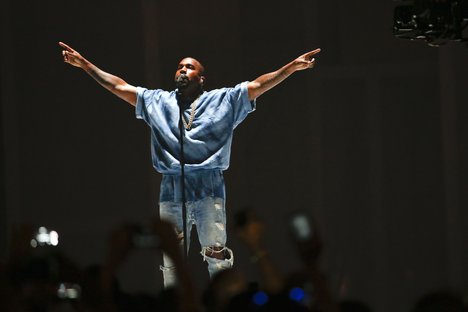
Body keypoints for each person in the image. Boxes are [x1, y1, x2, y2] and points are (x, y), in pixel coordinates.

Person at [59, 41, 321, 288]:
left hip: (209, 186)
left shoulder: (222, 100)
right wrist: (86, 66)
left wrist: (291, 68)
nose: (183, 69)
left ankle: (222, 302)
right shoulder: (158, 101)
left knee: (216, 254)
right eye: (180, 66)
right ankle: (174, 303)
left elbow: (257, 85)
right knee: (171, 259)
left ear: (201, 78)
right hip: (172, 187)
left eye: (190, 67)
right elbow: (120, 87)